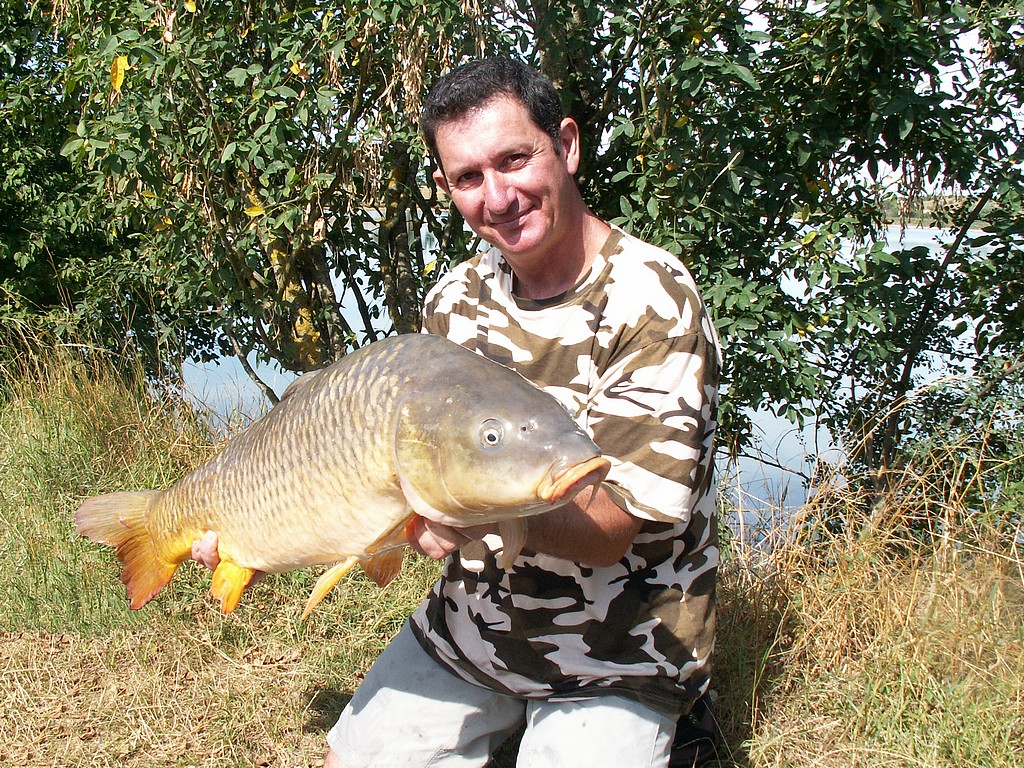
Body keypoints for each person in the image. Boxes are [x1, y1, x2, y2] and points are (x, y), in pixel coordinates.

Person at [195, 57, 722, 767]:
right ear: (446, 188)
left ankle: (673, 718)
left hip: (622, 644)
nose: (499, 196)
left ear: (565, 146)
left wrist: (466, 507)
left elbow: (609, 534)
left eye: (514, 160)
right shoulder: (455, 298)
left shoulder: (652, 300)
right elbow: (394, 491)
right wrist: (273, 532)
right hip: (476, 625)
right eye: (470, 177)